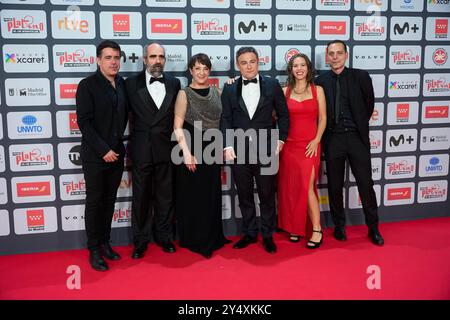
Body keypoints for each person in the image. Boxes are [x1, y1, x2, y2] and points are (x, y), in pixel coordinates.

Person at [220, 47, 289, 254]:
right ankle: (250, 232)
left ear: (259, 62)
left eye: (252, 61)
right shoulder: (230, 88)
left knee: (267, 194)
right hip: (240, 149)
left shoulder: (273, 84)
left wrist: (282, 139)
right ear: (237, 65)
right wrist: (227, 144)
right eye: (244, 62)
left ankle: (267, 235)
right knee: (244, 193)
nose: (248, 66)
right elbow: (226, 119)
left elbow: (284, 115)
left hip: (266, 148)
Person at [315, 40, 384, 246]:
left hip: (356, 138)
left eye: (339, 53)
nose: (335, 57)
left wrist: (358, 125)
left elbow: (369, 104)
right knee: (334, 186)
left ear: (346, 55)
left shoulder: (361, 76)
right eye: (331, 54)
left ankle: (373, 228)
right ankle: (339, 226)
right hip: (333, 138)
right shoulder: (320, 81)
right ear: (327, 57)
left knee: (366, 184)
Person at [76, 40, 128, 271]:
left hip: (116, 153)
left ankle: (105, 242)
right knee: (95, 201)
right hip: (96, 155)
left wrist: (114, 149)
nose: (113, 62)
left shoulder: (123, 85)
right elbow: (84, 123)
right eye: (108, 57)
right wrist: (103, 150)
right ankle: (94, 249)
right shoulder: (87, 85)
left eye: (116, 57)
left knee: (109, 201)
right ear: (98, 60)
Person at [125, 43, 181, 259]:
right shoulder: (130, 84)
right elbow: (121, 114)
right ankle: (140, 241)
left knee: (165, 197)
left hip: (167, 148)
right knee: (141, 198)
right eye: (153, 56)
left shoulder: (174, 83)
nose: (157, 60)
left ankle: (165, 237)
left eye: (161, 57)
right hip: (142, 149)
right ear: (144, 59)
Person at [173, 53, 231, 259]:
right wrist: (187, 154)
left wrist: (232, 84)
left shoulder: (217, 91)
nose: (201, 72)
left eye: (205, 68)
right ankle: (196, 240)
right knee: (194, 196)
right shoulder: (184, 94)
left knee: (211, 194)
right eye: (197, 68)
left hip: (213, 148)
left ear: (209, 71)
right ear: (191, 70)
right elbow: (177, 127)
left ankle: (214, 237)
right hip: (193, 149)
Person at [277, 53, 327, 249]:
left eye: (302, 65)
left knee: (307, 188)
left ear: (308, 68)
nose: (299, 69)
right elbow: (277, 116)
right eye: (295, 65)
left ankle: (316, 229)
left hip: (309, 146)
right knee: (290, 188)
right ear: (291, 69)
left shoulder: (318, 91)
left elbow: (323, 118)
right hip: (289, 146)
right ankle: (294, 228)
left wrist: (316, 140)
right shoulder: (284, 91)